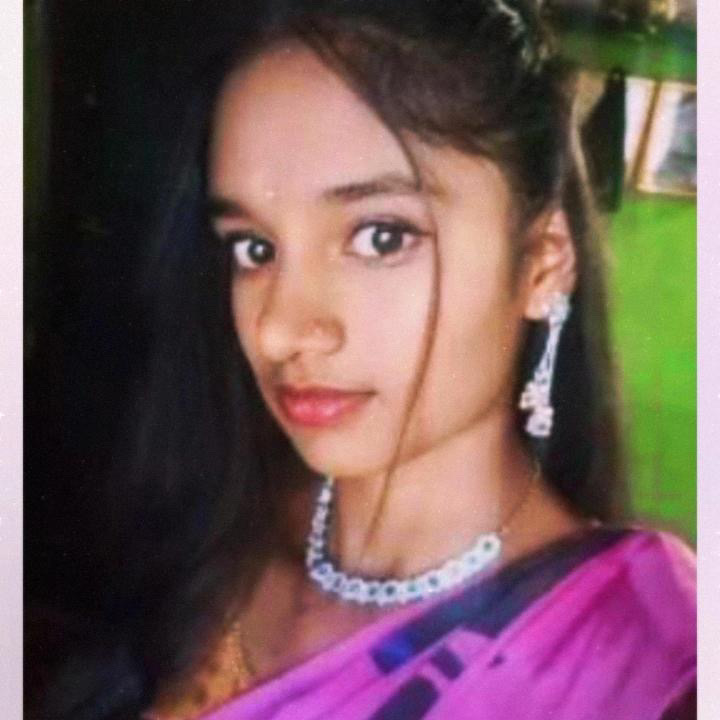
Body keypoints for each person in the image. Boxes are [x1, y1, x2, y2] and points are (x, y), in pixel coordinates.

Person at [39, 1, 696, 719]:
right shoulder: (215, 530)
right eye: (254, 248)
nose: (280, 331)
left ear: (543, 262)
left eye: (381, 237)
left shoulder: (644, 668)